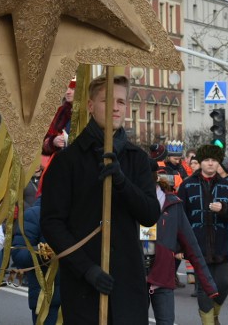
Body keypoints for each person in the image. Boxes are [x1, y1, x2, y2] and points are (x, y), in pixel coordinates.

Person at [41, 74, 159, 325]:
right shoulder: (67, 161)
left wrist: (122, 182)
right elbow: (52, 224)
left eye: (121, 101)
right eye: (107, 100)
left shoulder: (136, 159)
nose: (116, 107)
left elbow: (150, 213)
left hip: (128, 289)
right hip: (85, 290)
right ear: (90, 106)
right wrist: (87, 269)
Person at [176, 144, 228, 324]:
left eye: (214, 161)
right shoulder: (187, 186)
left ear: (218, 163)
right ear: (200, 162)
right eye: (207, 160)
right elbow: (180, 217)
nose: (210, 164)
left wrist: (224, 209)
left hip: (223, 246)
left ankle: (214, 316)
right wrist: (180, 245)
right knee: (204, 288)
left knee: (224, 285)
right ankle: (208, 322)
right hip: (198, 246)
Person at [148, 163, 217, 325]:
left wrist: (208, 284)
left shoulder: (173, 205)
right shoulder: (131, 201)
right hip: (136, 278)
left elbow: (191, 246)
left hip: (163, 277)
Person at [11, 171, 61, 325]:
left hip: (76, 299)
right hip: (46, 300)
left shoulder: (77, 215)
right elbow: (19, 253)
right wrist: (43, 253)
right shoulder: (33, 215)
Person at [42, 79, 76, 164]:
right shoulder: (59, 112)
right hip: (62, 163)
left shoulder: (91, 111)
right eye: (66, 87)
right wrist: (53, 141)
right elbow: (44, 143)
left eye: (72, 88)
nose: (67, 92)